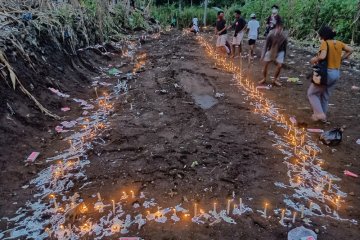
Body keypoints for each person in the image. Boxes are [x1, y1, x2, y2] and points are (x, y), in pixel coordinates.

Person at [307, 26, 353, 122]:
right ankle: (322, 117)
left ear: (323, 35)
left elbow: (323, 56)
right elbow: (351, 49)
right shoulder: (339, 43)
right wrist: (341, 59)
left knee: (312, 93)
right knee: (325, 96)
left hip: (326, 73)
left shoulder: (325, 43)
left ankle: (320, 115)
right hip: (336, 73)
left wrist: (314, 59)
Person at [259, 22, 287, 86]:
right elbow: (266, 45)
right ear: (276, 28)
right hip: (270, 49)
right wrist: (262, 55)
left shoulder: (284, 37)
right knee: (265, 65)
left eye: (281, 29)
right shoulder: (270, 35)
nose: (279, 30)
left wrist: (283, 57)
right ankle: (264, 78)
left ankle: (274, 80)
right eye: (278, 28)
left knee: (279, 66)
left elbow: (285, 48)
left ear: (282, 29)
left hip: (280, 51)